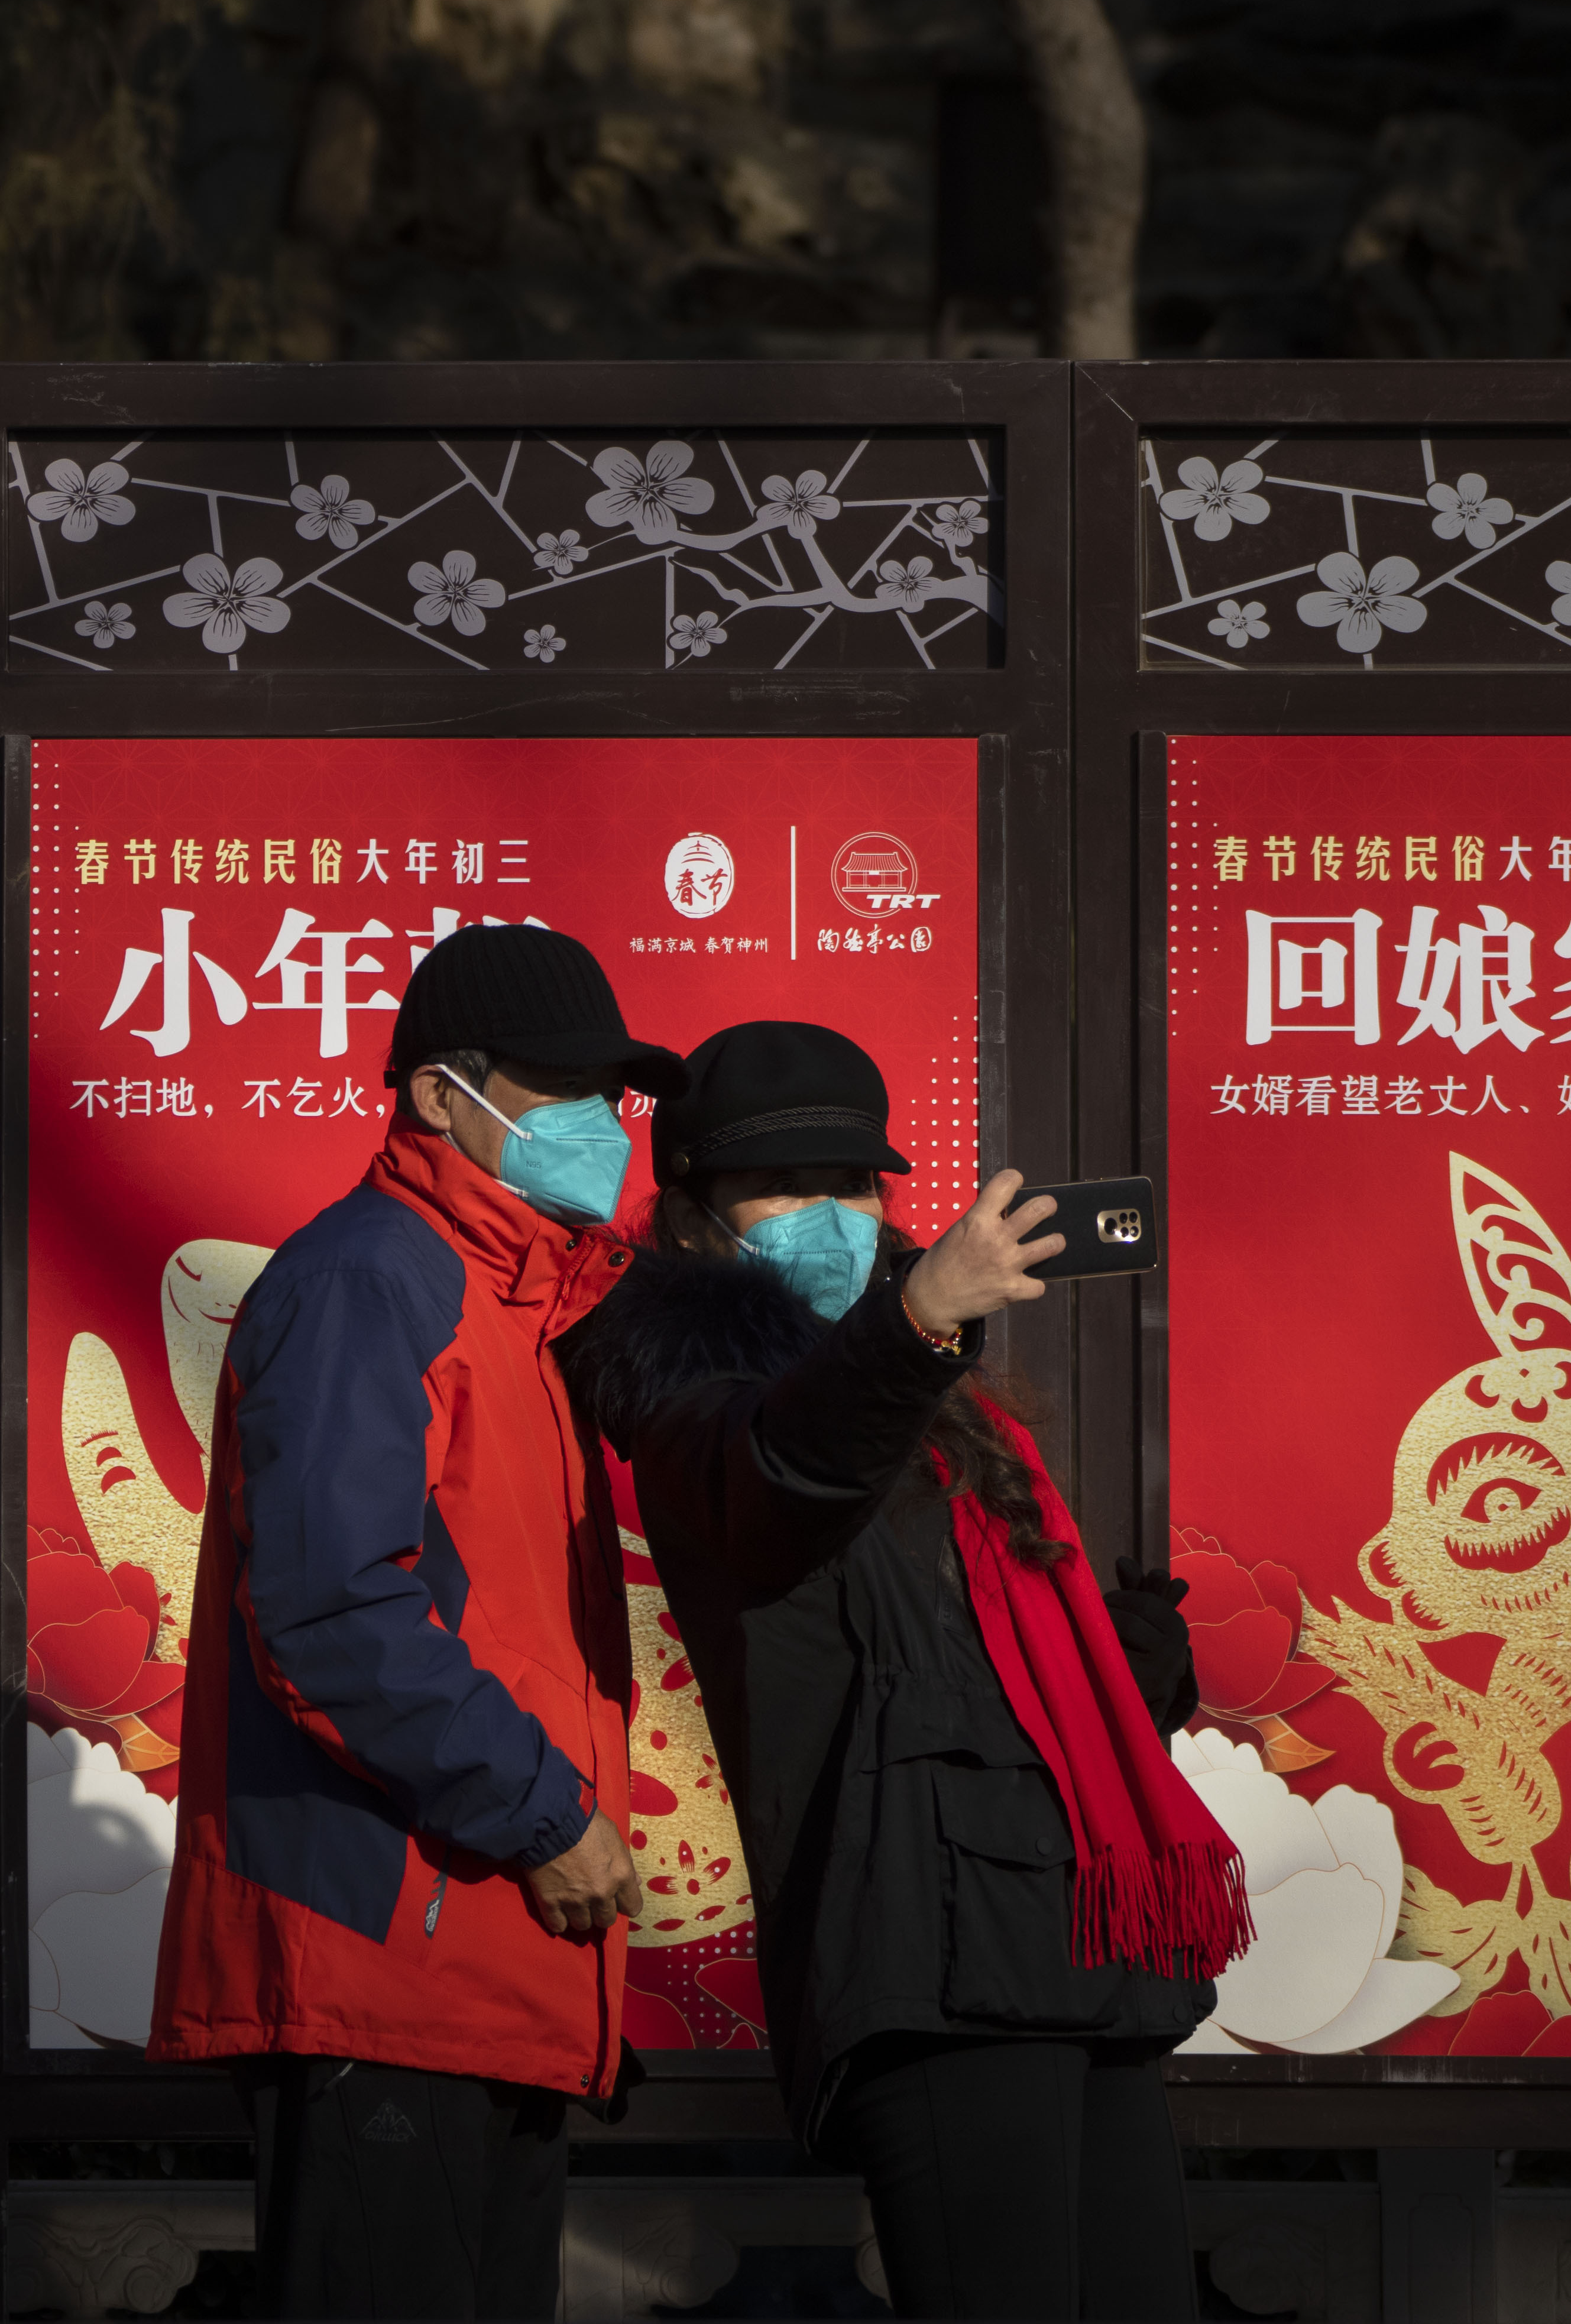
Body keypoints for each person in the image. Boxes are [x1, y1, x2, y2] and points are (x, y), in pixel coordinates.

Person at [555, 1019, 1234, 2323]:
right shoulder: (701, 1398)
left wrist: (1122, 1660)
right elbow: (787, 1480)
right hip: (925, 1957)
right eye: (788, 1188)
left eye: (857, 1184)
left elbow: (974, 1666)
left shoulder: (937, 1394)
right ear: (693, 1220)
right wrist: (918, 1318)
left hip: (1067, 1945)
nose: (834, 1214)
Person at [145, 921, 679, 2323]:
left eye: (610, 1095)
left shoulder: (524, 1302)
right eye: (556, 1089)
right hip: (387, 1950)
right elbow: (331, 1605)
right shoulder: (374, 1276)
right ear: (440, 1093)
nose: (599, 1125)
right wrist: (543, 1816)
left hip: (483, 1953)